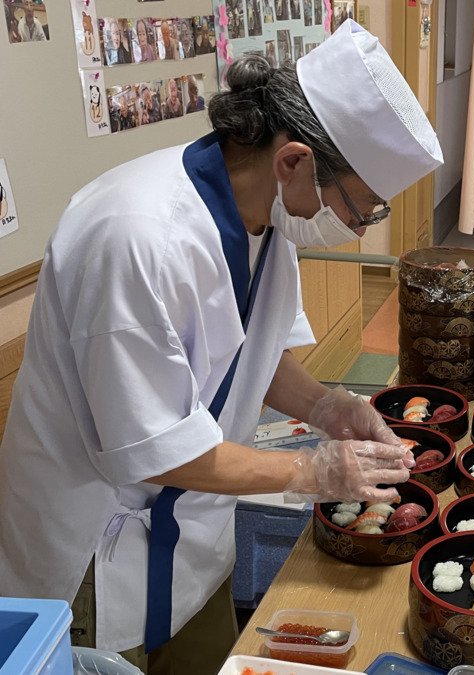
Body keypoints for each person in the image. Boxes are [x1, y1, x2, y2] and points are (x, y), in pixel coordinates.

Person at [0, 19, 441, 675]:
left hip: (196, 528)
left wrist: (327, 406)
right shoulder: (136, 237)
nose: (356, 227)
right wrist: (311, 471)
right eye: (361, 207)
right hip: (96, 544)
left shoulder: (268, 217)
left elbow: (255, 355)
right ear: (293, 161)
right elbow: (157, 449)